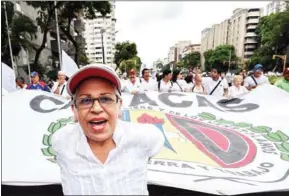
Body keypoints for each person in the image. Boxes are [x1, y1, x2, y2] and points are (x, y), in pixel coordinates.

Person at [51, 64, 164, 195]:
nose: (96, 109)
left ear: (119, 106)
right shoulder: (61, 141)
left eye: (105, 99)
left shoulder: (146, 137)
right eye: (86, 100)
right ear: (74, 110)